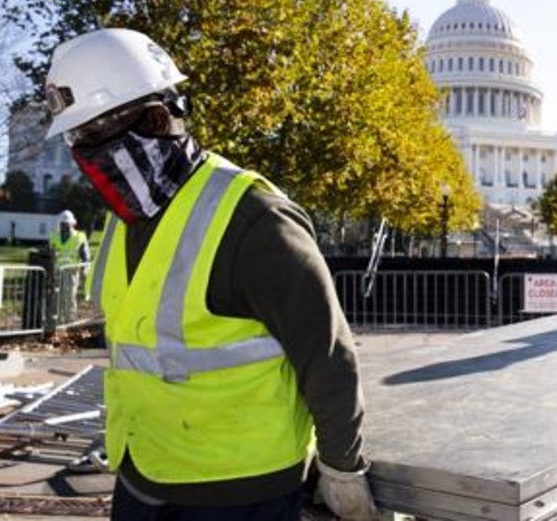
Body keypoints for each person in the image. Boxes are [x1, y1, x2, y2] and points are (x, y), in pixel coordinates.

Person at [43, 28, 379, 521]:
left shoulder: (255, 219)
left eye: (95, 135)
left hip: (241, 492)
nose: (85, 154)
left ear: (157, 119)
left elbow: (326, 354)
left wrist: (341, 468)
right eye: (78, 137)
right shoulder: (123, 222)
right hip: (143, 475)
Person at [49, 210, 91, 322]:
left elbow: (86, 256)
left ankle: (69, 320)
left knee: (69, 297)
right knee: (57, 297)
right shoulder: (54, 237)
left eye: (66, 224)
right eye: (62, 224)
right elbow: (50, 255)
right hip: (57, 272)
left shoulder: (79, 237)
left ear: (72, 224)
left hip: (71, 272)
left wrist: (85, 269)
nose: (64, 226)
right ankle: (58, 320)